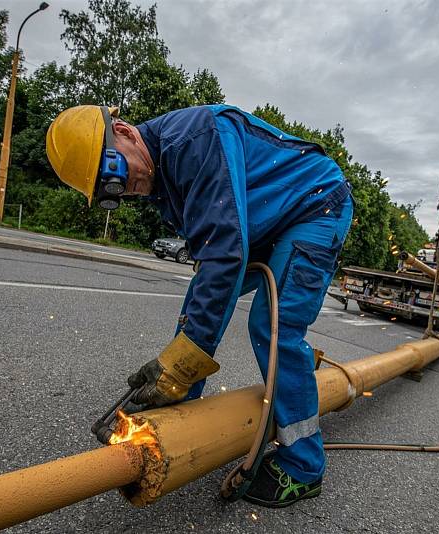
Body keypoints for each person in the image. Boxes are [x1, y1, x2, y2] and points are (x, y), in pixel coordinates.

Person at [46, 104, 353, 508]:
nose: (127, 185)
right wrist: (177, 370)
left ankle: (303, 466)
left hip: (315, 204)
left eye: (117, 169)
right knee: (199, 301)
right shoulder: (162, 180)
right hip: (270, 218)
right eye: (111, 189)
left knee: (273, 325)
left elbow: (225, 257)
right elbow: (213, 267)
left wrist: (181, 363)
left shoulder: (193, 140)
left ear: (124, 130)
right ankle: (183, 404)